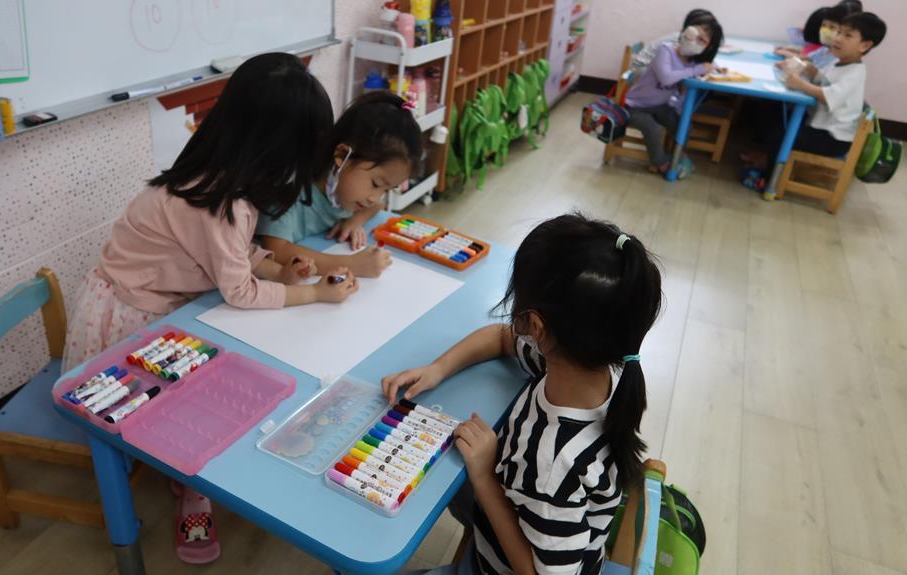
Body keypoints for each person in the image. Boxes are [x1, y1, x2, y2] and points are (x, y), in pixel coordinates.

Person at [62, 53, 355, 564]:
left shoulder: (221, 182)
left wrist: (278, 270)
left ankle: (177, 466)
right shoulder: (221, 200)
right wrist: (313, 293)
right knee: (169, 405)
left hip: (163, 303)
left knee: (194, 390)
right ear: (274, 147)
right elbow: (238, 291)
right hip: (132, 314)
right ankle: (186, 482)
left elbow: (232, 255)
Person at [384, 213, 663, 575]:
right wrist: (438, 368)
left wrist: (485, 477)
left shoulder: (550, 465)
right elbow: (502, 338)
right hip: (532, 512)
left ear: (536, 326)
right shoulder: (599, 365)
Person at [258, 91, 423, 278]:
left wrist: (355, 221)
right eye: (376, 184)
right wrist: (351, 265)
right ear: (342, 155)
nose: (374, 197)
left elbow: (378, 205)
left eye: (387, 189)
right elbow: (276, 250)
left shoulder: (350, 193)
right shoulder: (289, 189)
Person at [743, 11, 885, 189]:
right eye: (839, 32)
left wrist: (801, 84)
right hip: (820, 126)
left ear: (864, 45)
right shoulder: (839, 63)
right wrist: (807, 68)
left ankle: (769, 181)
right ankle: (767, 157)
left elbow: (827, 95)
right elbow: (822, 79)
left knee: (780, 137)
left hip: (833, 138)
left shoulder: (855, 73)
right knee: (772, 111)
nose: (838, 38)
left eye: (847, 35)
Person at [624, 17, 724, 178]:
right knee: (654, 129)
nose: (693, 40)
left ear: (707, 47)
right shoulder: (665, 50)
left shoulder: (692, 61)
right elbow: (666, 78)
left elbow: (703, 66)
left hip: (660, 106)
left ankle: (678, 154)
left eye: (702, 40)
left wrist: (714, 67)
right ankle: (661, 163)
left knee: (683, 124)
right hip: (635, 106)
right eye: (694, 33)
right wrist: (697, 70)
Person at [628, 9, 715, 76]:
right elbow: (674, 69)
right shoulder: (681, 41)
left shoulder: (685, 37)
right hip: (640, 70)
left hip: (646, 66)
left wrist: (712, 66)